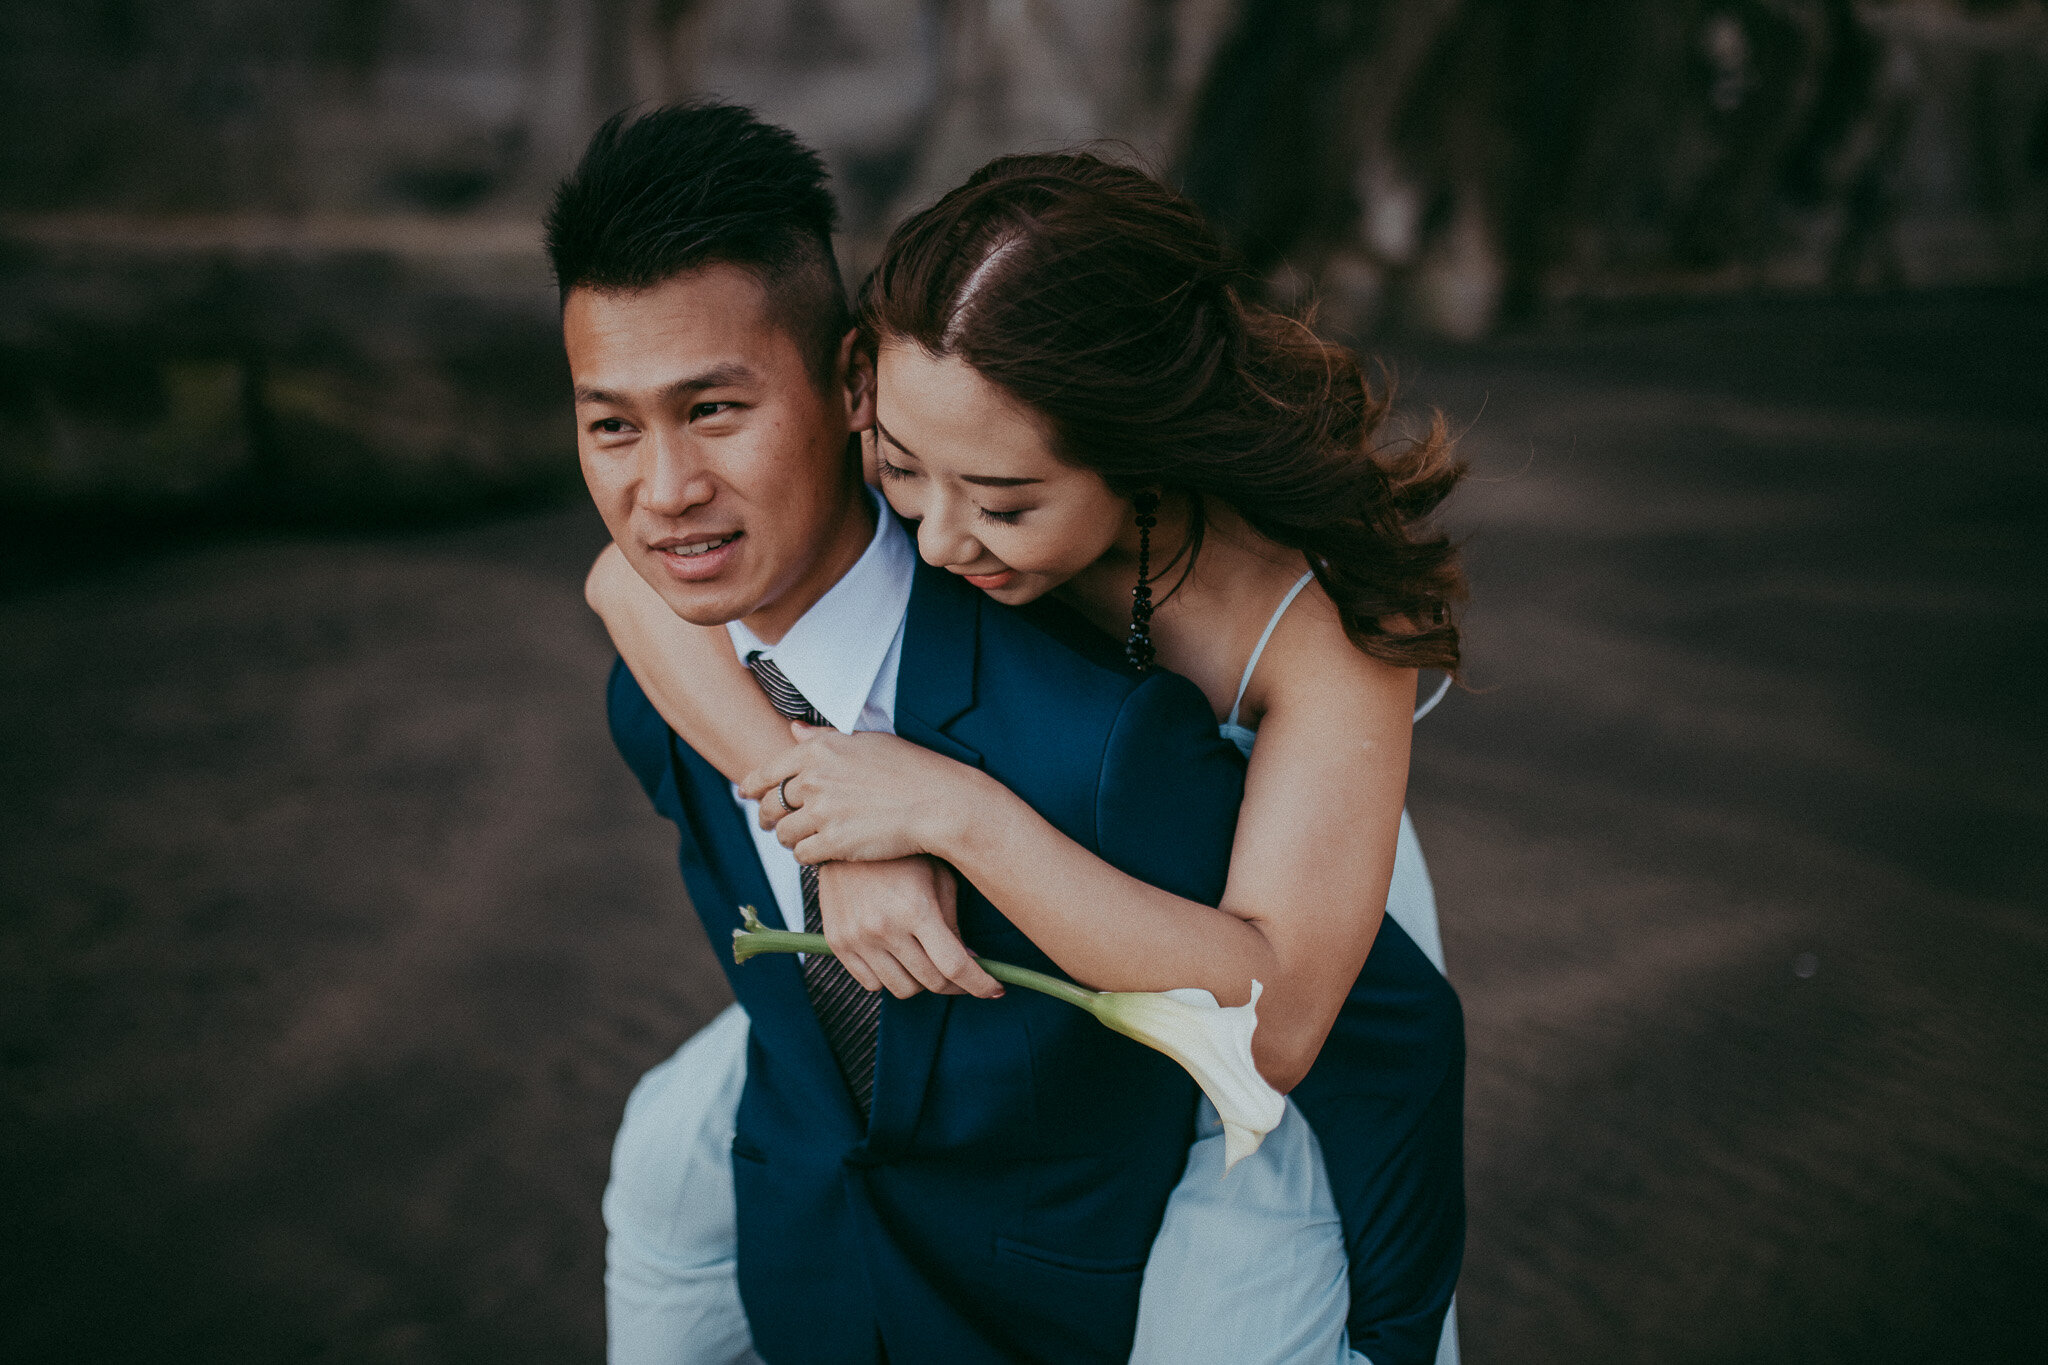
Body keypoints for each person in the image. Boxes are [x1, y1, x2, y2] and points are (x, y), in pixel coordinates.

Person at [584, 133, 1467, 1364]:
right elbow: (623, 586)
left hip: (1284, 913)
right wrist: (830, 820)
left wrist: (954, 818)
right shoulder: (928, 409)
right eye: (896, 471)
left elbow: (1274, 1020)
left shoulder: (1326, 631)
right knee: (668, 1152)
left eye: (1001, 504)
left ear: (1135, 448)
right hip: (1000, 913)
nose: (939, 541)